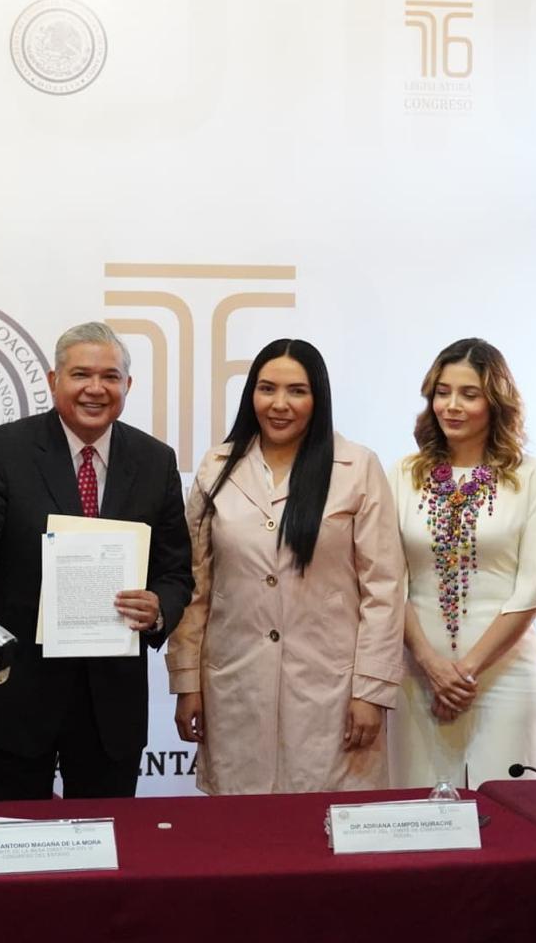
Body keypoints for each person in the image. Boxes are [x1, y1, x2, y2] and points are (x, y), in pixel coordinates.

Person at [0, 321, 193, 800]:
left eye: (110, 377)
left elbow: (176, 569)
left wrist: (159, 607)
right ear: (54, 381)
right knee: (7, 837)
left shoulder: (155, 460)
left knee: (105, 837)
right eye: (81, 375)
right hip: (13, 691)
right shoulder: (3, 450)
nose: (96, 389)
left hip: (109, 703)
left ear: (128, 385)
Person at [167, 340, 404, 793]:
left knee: (327, 822)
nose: (279, 404)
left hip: (332, 691)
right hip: (235, 687)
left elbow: (384, 589)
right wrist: (186, 681)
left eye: (297, 391)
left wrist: (371, 690)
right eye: (267, 389)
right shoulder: (217, 466)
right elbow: (195, 585)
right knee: (245, 824)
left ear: (319, 398)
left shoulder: (356, 467)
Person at [388, 339, 536, 789]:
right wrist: (432, 666)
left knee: (511, 815)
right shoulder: (404, 474)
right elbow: (389, 581)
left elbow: (534, 588)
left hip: (509, 678)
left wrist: (466, 670)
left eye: (468, 394)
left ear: (495, 402)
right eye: (442, 392)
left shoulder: (531, 477)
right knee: (420, 815)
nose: (451, 406)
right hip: (419, 678)